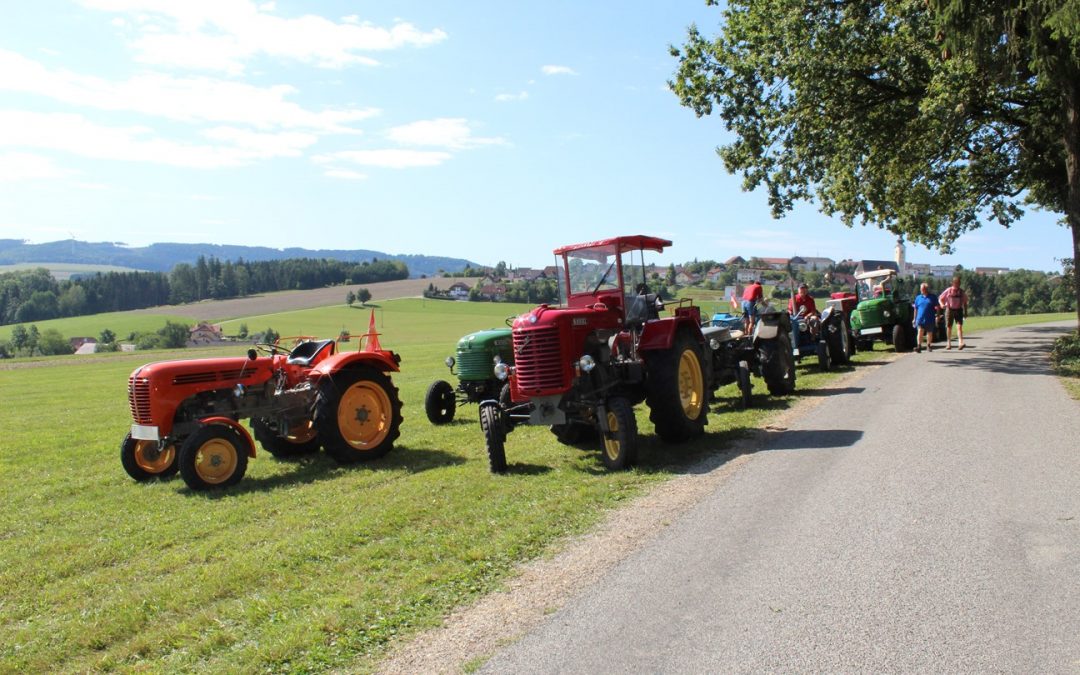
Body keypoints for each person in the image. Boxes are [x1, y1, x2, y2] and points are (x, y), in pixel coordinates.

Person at [938, 275, 968, 350]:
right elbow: (940, 298)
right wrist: (942, 304)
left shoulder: (961, 292)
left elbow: (965, 302)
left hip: (958, 310)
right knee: (949, 327)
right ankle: (948, 343)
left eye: (958, 283)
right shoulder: (948, 290)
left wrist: (965, 312)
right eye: (956, 283)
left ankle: (961, 342)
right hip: (949, 309)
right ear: (953, 283)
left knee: (959, 326)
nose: (958, 285)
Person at [913, 282, 940, 353]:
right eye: (921, 289)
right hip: (920, 318)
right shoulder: (918, 298)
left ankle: (928, 345)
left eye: (922, 289)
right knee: (920, 332)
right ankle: (919, 346)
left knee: (929, 333)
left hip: (930, 318)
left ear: (926, 289)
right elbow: (915, 308)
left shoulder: (933, 297)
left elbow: (937, 307)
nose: (921, 290)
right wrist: (914, 318)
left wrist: (937, 316)